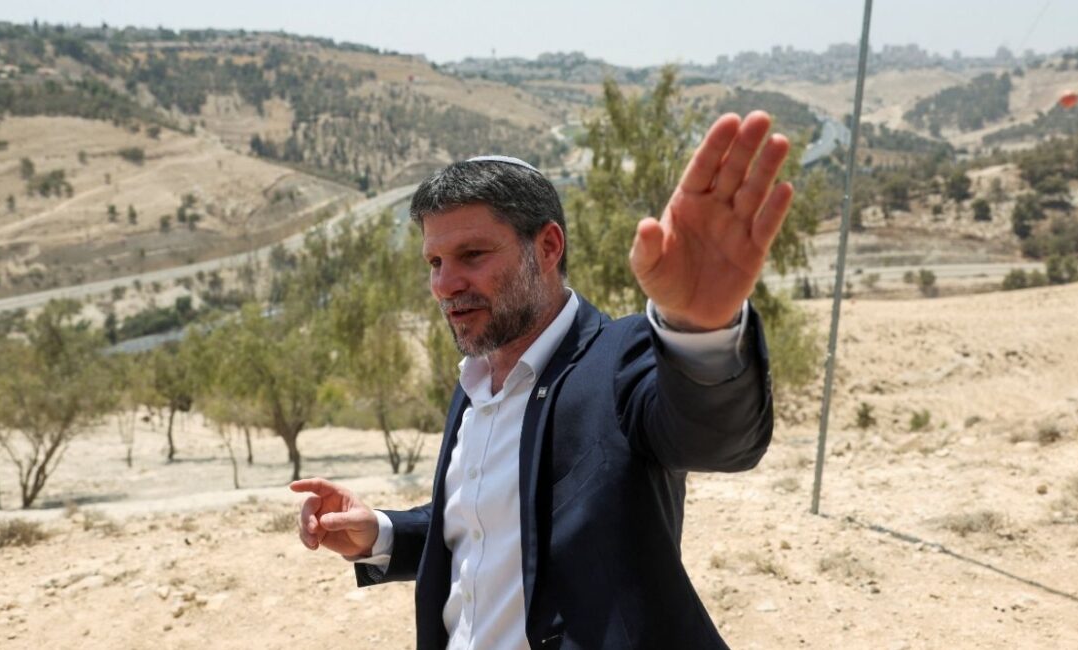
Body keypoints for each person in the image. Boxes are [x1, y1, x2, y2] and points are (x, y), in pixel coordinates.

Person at [291, 110, 794, 650]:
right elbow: (487, 524)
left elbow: (718, 439)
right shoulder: (475, 383)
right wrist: (381, 532)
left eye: (472, 255)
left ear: (548, 247)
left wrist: (700, 329)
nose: (444, 284)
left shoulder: (620, 358)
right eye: (434, 262)